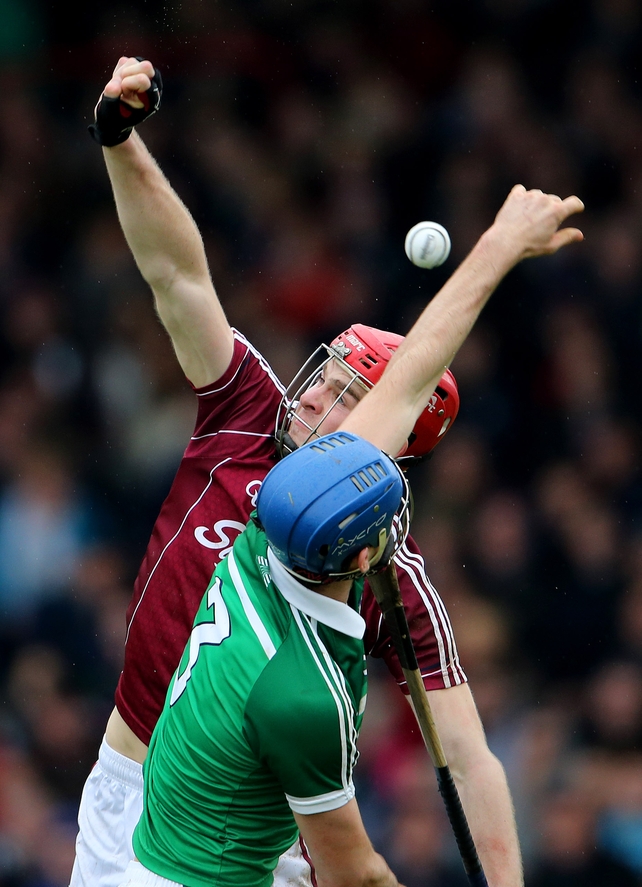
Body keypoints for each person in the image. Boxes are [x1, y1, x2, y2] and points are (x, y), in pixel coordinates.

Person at [71, 54, 582, 887]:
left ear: (392, 446)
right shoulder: (247, 409)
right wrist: (119, 140)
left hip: (264, 843)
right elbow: (177, 275)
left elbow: (469, 757)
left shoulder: (391, 574)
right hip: (127, 790)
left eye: (351, 394)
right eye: (326, 373)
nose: (312, 399)